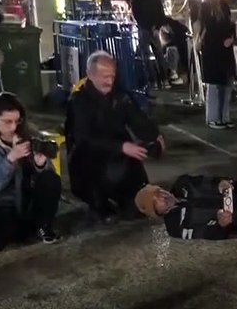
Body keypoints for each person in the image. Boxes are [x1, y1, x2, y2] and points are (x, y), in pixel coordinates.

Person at [64, 51, 164, 221]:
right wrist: (121, 147)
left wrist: (155, 136)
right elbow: (84, 140)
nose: (109, 81)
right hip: (90, 165)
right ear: (90, 75)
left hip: (121, 162)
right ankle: (99, 203)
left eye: (112, 76)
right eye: (104, 76)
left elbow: (138, 119)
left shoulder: (120, 96)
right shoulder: (79, 101)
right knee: (104, 208)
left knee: (138, 210)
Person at [0, 92, 62, 251]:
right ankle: (17, 225)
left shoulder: (28, 132)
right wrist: (11, 158)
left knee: (50, 179)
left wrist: (41, 164)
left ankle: (43, 226)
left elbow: (48, 175)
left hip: (27, 191)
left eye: (16, 121)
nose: (13, 127)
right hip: (3, 198)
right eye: (7, 122)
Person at [198, 0, 236, 129]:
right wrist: (223, 39)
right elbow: (209, 27)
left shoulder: (225, 6)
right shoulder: (206, 6)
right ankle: (213, 117)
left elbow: (230, 24)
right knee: (214, 84)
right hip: (213, 49)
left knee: (226, 84)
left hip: (225, 48)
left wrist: (231, 37)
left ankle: (224, 116)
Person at [130, 0, 171, 85]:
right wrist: (156, 26)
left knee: (146, 56)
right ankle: (164, 79)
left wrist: (145, 25)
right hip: (155, 29)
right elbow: (161, 14)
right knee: (159, 54)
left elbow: (136, 15)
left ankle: (152, 80)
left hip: (144, 29)